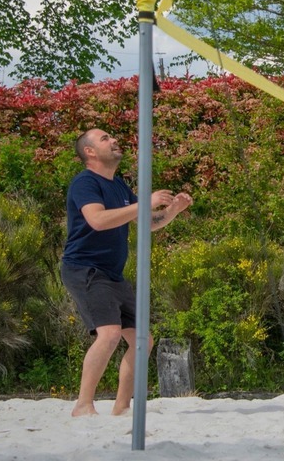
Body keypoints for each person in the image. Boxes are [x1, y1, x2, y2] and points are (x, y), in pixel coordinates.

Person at [61, 128, 193, 417]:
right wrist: (144, 202)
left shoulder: (118, 186)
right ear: (90, 152)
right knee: (108, 335)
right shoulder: (85, 183)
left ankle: (121, 408)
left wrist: (172, 211)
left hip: (112, 274)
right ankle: (83, 405)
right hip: (85, 268)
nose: (114, 140)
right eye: (105, 139)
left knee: (143, 339)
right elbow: (96, 220)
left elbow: (146, 222)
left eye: (112, 137)